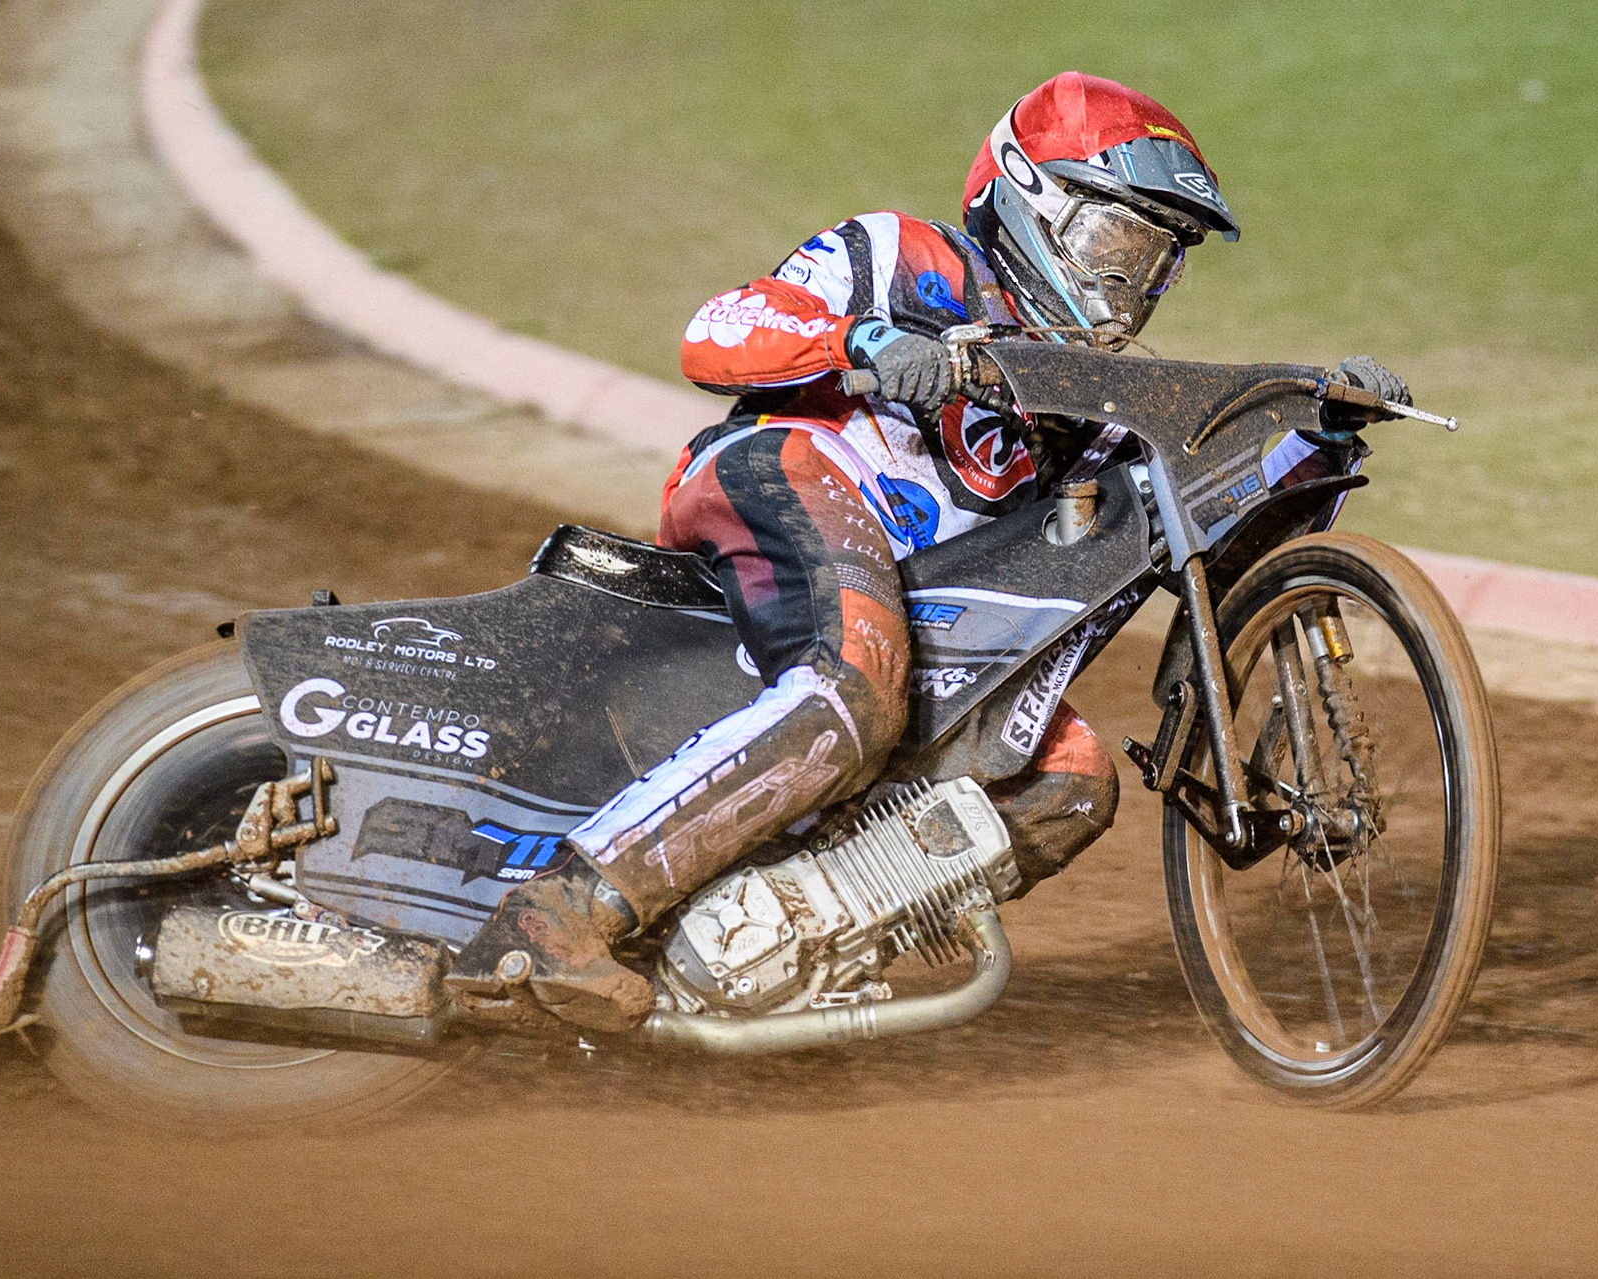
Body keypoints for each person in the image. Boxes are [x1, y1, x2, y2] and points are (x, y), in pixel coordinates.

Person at [449, 71, 1408, 1032]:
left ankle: (769, 948)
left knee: (1072, 780)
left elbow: (1212, 556)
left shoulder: (1105, 409)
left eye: (1158, 259)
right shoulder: (906, 255)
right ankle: (551, 915)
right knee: (861, 676)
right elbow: (717, 332)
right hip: (784, 474)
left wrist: (1308, 435)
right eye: (1119, 241)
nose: (1134, 280)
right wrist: (862, 338)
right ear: (1036, 202)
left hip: (920, 602)